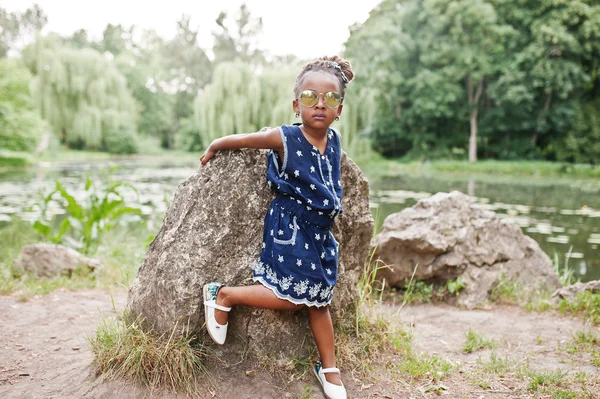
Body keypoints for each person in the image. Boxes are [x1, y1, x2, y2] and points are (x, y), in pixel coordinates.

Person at [199, 56, 354, 399]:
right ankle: (223, 293)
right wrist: (216, 144)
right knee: (292, 299)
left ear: (339, 109)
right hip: (292, 226)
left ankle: (329, 366)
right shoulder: (285, 138)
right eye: (311, 97)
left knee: (319, 301)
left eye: (330, 99)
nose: (319, 105)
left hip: (320, 232)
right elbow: (245, 139)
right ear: (296, 104)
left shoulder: (335, 140)